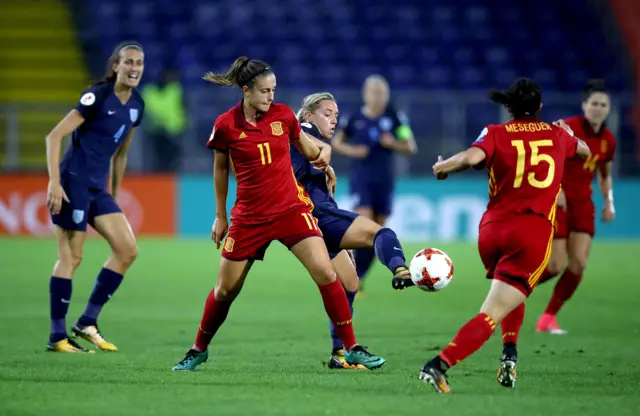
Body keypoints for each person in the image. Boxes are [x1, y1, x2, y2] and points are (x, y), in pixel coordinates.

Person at [171, 57, 385, 371]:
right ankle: (198, 349)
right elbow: (219, 169)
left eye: (273, 90)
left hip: (291, 209)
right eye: (264, 91)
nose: (271, 96)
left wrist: (325, 155)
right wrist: (221, 216)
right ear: (246, 91)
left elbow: (310, 149)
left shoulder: (284, 116)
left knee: (326, 273)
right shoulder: (226, 125)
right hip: (249, 217)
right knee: (226, 289)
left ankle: (350, 348)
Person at [394, 78, 590, 393]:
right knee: (493, 311)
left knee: (508, 290)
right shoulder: (557, 136)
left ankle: (509, 352)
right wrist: (568, 135)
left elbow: (471, 158)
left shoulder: (496, 132)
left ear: (509, 108)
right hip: (532, 232)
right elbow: (585, 151)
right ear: (539, 107)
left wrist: (442, 166)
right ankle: (439, 364)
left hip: (493, 231)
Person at [292, 92, 411, 369]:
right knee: (382, 233)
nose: (334, 120)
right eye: (327, 114)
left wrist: (327, 166)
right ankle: (400, 269)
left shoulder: (308, 142)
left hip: (310, 216)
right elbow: (302, 143)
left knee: (349, 283)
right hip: (318, 214)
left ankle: (339, 355)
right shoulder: (305, 132)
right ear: (309, 115)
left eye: (336, 115)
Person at [44, 41, 145, 353]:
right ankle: (58, 336)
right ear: (115, 66)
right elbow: (54, 135)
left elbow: (121, 155)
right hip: (73, 181)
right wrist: (54, 182)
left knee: (127, 250)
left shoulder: (137, 106)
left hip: (97, 190)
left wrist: (113, 197)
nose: (134, 68)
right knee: (72, 257)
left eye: (139, 63)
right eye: (128, 62)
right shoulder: (97, 96)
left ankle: (87, 322)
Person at [536, 80, 616, 334]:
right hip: (559, 200)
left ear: (608, 108)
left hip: (583, 203)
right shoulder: (567, 127)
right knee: (554, 266)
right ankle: (514, 288)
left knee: (579, 264)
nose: (598, 108)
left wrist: (609, 202)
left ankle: (548, 318)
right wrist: (554, 188)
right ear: (584, 105)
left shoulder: (608, 140)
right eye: (594, 103)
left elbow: (604, 174)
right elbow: (545, 158)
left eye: (603, 104)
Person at [332, 75, 417, 292]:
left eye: (382, 93)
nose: (378, 97)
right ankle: (350, 275)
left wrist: (393, 143)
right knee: (366, 225)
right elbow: (337, 142)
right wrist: (354, 151)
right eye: (374, 93)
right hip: (362, 180)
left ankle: (358, 278)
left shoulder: (395, 118)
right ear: (366, 94)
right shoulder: (354, 118)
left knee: (377, 232)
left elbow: (410, 146)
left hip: (385, 181)